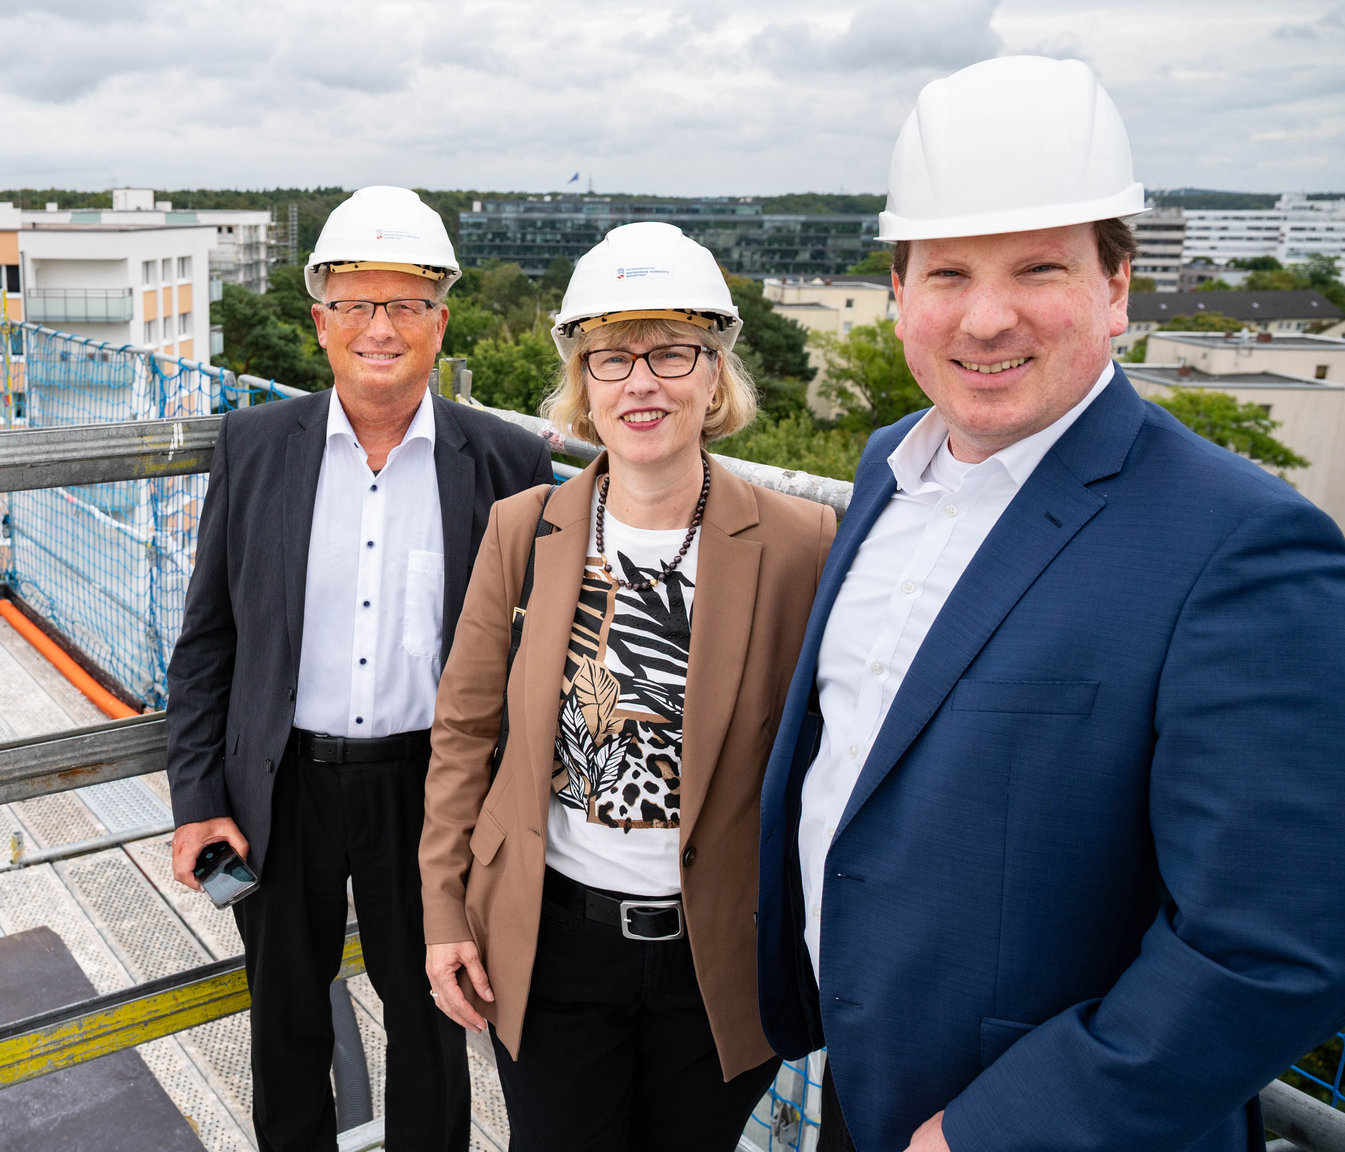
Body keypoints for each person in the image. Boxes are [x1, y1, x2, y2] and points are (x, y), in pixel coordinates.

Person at [755, 56, 1345, 1152]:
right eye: (945, 274)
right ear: (898, 295)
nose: (985, 320)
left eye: (1038, 269)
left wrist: (989, 1134)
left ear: (1117, 289)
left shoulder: (1240, 545)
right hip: (857, 1083)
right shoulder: (889, 467)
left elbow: (1275, 946)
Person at [421, 221, 835, 1152]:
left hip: (719, 955)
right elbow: (463, 734)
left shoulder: (801, 544)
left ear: (715, 372)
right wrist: (445, 910)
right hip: (551, 940)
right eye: (611, 358)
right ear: (582, 383)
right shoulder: (522, 529)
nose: (641, 381)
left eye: (672, 352)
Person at [164, 185, 555, 1152]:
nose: (379, 327)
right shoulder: (254, 447)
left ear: (440, 321)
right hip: (282, 785)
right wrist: (197, 793)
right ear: (321, 321)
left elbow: (539, 652)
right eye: (355, 303)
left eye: (405, 304)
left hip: (433, 788)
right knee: (285, 1014)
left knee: (433, 1014)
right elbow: (208, 636)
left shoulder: (506, 460)